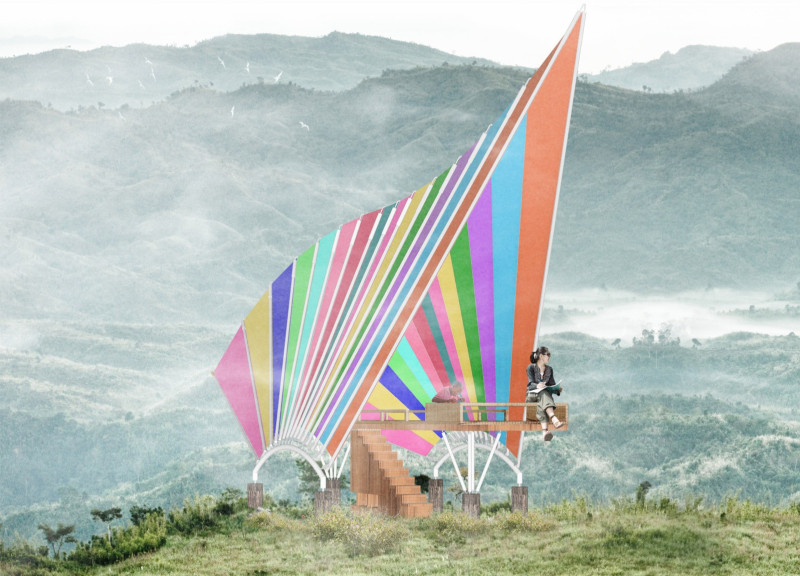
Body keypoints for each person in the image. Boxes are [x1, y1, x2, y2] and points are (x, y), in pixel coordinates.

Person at [526, 346, 563, 441]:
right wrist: (537, 386)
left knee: (542, 399)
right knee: (543, 392)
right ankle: (554, 418)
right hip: (532, 395)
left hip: (542, 398)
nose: (549, 357)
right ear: (541, 356)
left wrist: (557, 390)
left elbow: (552, 385)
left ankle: (544, 432)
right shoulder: (531, 367)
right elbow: (529, 385)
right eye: (548, 355)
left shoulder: (549, 369)